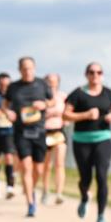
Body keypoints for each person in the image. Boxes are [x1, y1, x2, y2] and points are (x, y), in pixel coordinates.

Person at [63, 62, 111, 222]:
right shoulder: (77, 94)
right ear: (86, 74)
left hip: (103, 139)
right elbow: (66, 115)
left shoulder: (110, 94)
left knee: (102, 176)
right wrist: (85, 115)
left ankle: (101, 216)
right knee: (85, 178)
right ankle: (84, 197)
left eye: (98, 72)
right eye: (91, 72)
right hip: (82, 140)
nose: (95, 75)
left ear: (102, 74)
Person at [3, 56, 53, 217]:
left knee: (38, 169)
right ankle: (31, 204)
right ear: (19, 70)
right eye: (24, 68)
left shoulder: (42, 84)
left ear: (35, 68)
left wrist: (44, 105)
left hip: (39, 131)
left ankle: (30, 188)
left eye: (30, 68)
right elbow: (5, 104)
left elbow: (52, 101)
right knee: (26, 167)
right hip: (21, 131)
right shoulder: (13, 87)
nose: (27, 71)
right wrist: (8, 112)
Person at [41, 73, 68, 206]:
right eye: (49, 81)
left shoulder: (63, 96)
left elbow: (68, 113)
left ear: (58, 82)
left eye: (54, 81)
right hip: (44, 132)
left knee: (59, 164)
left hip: (58, 132)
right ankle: (45, 191)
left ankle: (59, 193)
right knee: (47, 165)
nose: (51, 83)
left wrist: (64, 118)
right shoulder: (41, 97)